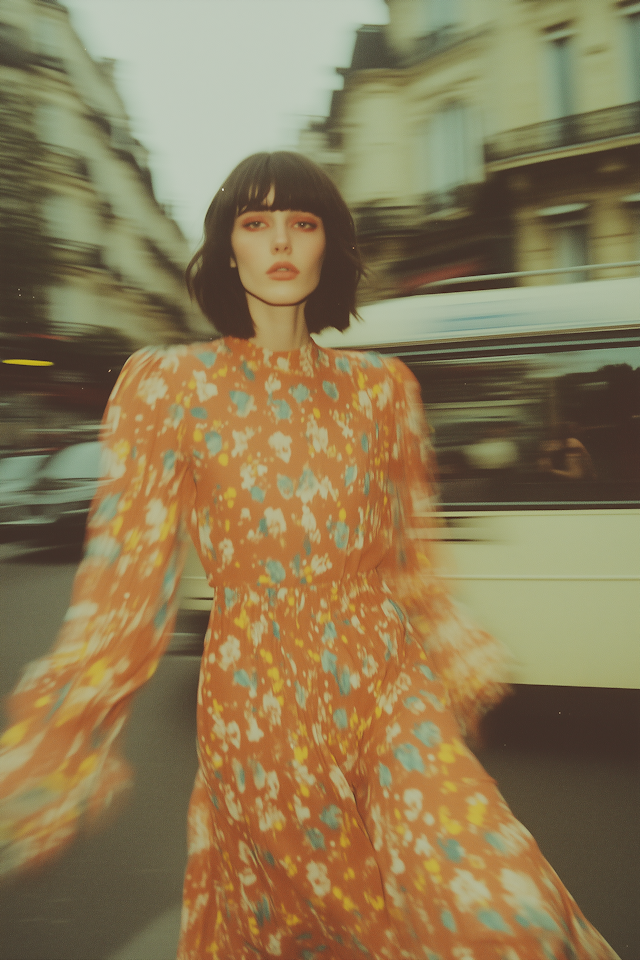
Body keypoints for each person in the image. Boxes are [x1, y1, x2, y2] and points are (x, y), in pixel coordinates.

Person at [0, 152, 619, 959]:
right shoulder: (166, 387)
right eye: (255, 224)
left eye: (303, 221)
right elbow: (124, 588)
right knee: (320, 928)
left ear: (329, 243)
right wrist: (59, 738)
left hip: (389, 687)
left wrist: (452, 641)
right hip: (259, 705)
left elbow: (410, 556)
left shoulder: (384, 389)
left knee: (504, 909)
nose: (280, 240)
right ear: (228, 248)